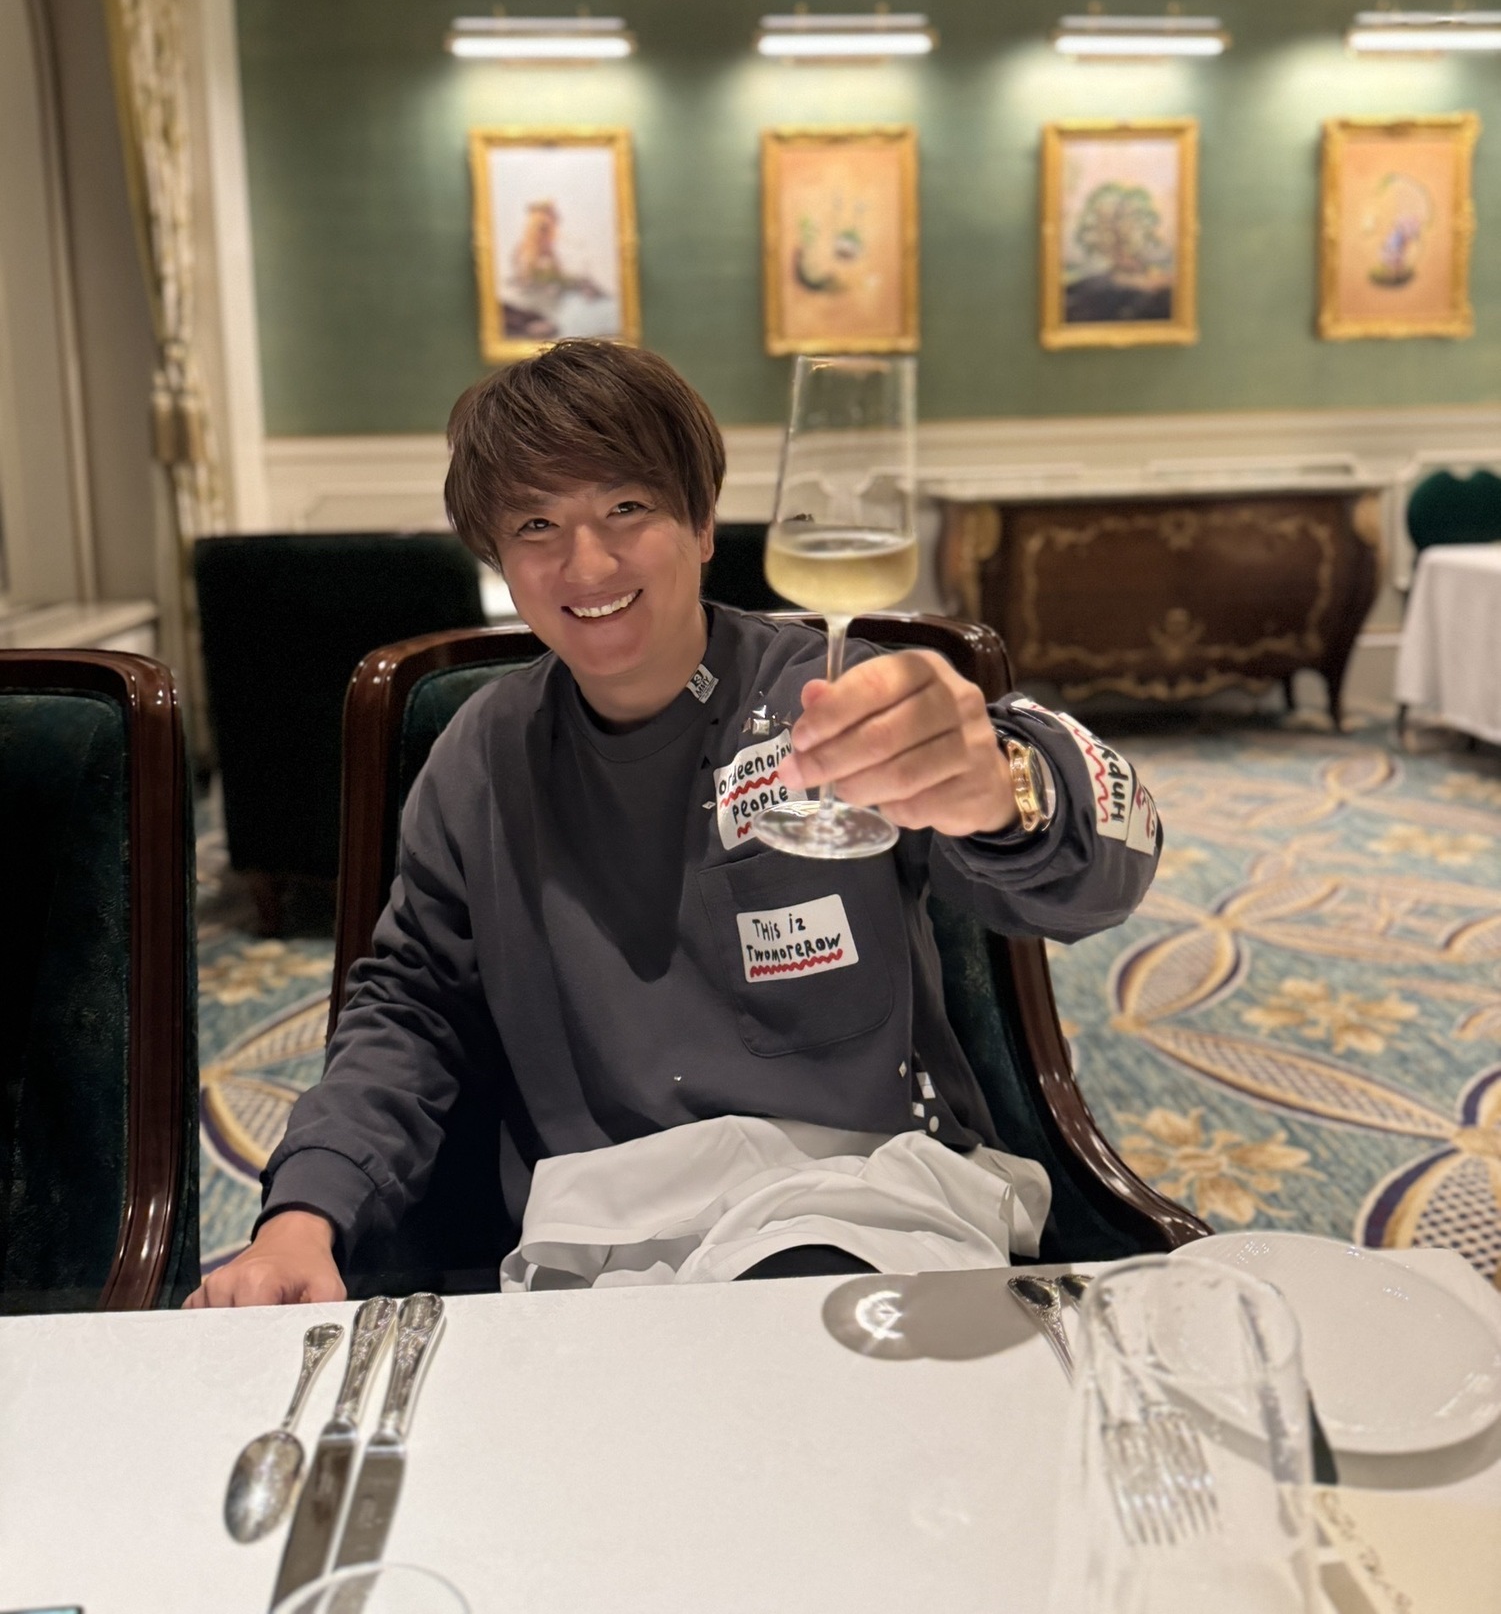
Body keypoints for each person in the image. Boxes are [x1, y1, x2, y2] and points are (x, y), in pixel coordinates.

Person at [188, 341, 1160, 1306]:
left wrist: (1004, 785)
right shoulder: (482, 754)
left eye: (626, 507)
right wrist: (302, 1213)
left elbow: (1097, 878)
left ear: (701, 523)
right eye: (535, 523)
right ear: (498, 558)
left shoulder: (830, 699)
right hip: (605, 1230)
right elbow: (411, 1009)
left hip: (860, 1200)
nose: (587, 562)